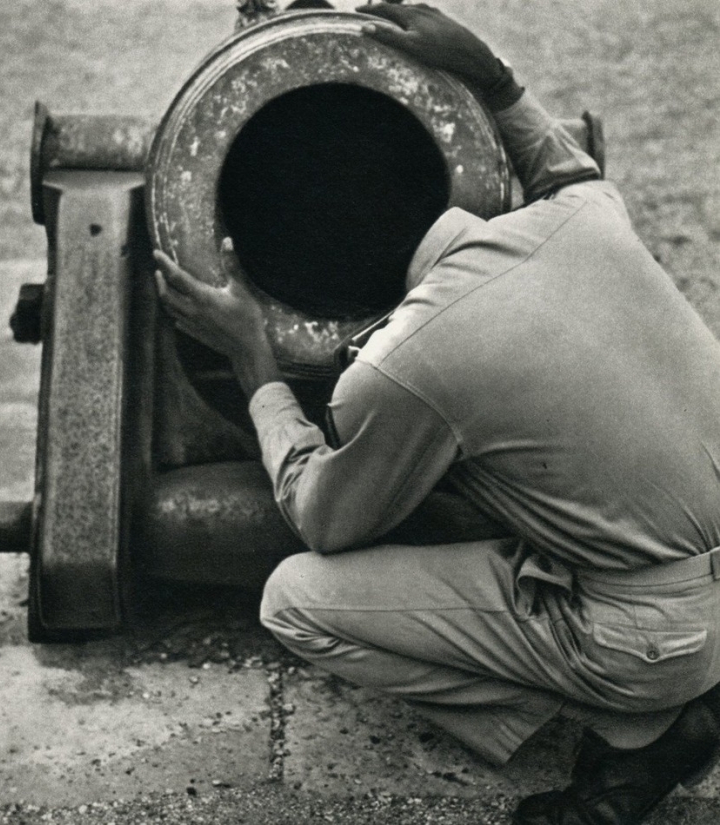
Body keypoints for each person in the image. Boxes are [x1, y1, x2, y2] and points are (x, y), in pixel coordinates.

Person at [153, 5, 720, 822]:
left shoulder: (401, 369)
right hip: (692, 584)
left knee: (294, 599)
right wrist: (490, 76)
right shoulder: (587, 216)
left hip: (643, 638)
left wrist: (254, 361)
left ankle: (634, 727)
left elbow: (324, 520)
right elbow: (564, 170)